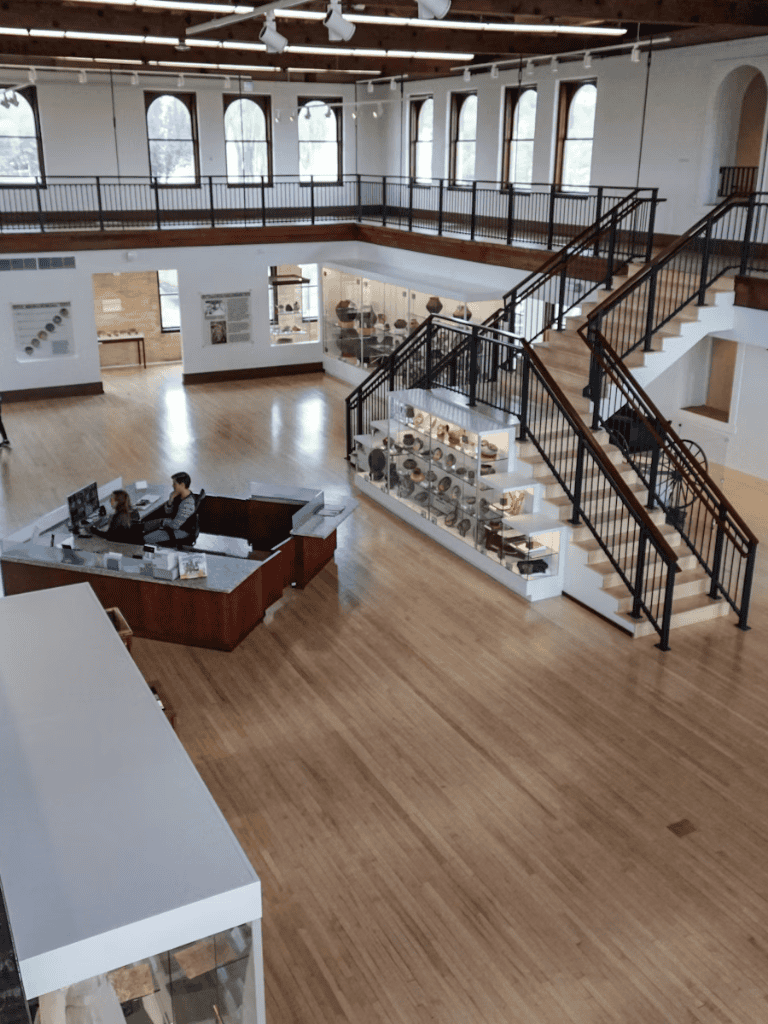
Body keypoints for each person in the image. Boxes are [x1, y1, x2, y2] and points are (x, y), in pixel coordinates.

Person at [142, 471, 197, 546]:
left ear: (182, 485)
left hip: (182, 531)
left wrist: (163, 522)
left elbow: (175, 525)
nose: (172, 485)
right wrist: (170, 500)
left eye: (174, 483)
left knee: (146, 538)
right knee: (144, 526)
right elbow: (168, 512)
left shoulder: (187, 503)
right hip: (173, 523)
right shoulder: (179, 495)